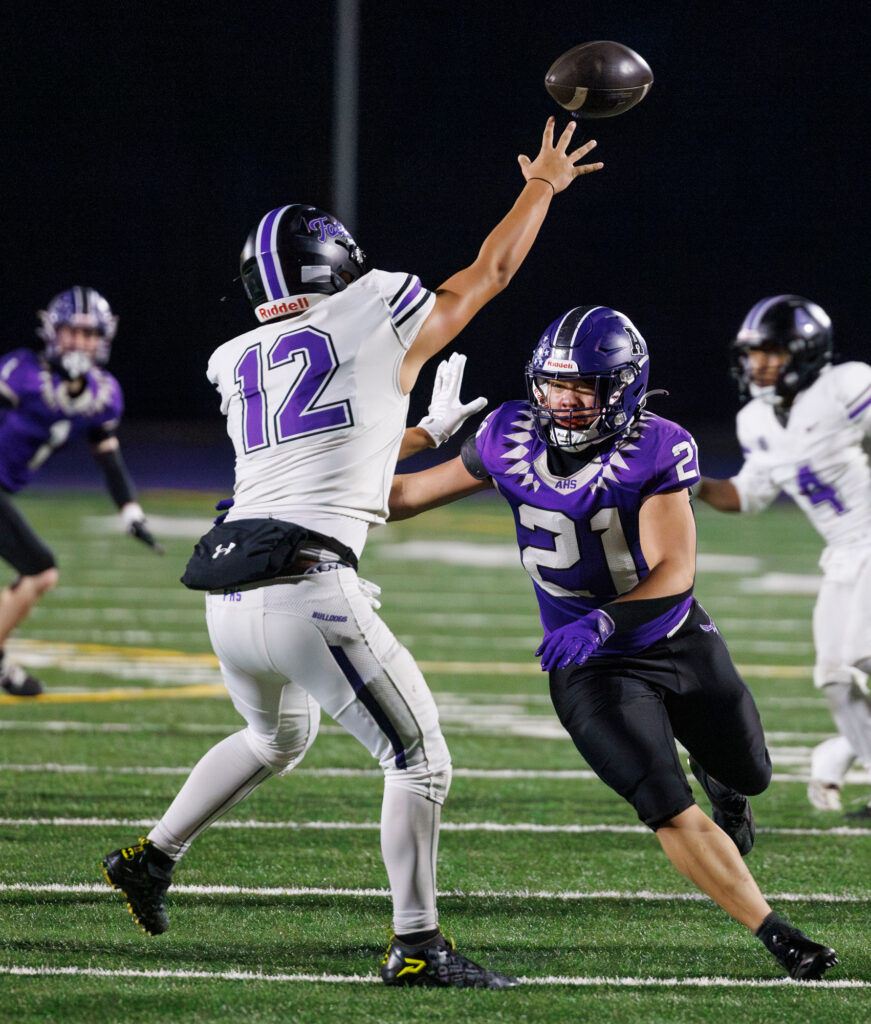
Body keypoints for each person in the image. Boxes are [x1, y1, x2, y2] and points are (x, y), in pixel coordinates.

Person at [101, 118, 603, 989]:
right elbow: (487, 275)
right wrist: (544, 185)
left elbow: (325, 451)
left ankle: (151, 854)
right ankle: (417, 946)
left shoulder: (236, 359)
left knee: (275, 735)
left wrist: (423, 434)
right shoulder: (371, 307)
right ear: (336, 267)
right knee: (420, 760)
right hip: (307, 587)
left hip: (230, 590)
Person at [387, 304, 839, 981]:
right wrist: (314, 491)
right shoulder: (504, 434)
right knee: (664, 804)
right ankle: (775, 934)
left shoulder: (655, 447)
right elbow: (398, 498)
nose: (564, 401)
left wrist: (604, 618)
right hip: (588, 668)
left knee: (751, 772)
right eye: (553, 384)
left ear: (623, 386)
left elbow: (674, 573)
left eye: (583, 387)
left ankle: (726, 784)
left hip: (671, 637)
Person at [693, 295, 871, 819]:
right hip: (843, 554)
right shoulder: (757, 420)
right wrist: (694, 484)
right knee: (835, 678)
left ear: (806, 351)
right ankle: (848, 751)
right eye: (753, 353)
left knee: (863, 654)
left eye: (771, 351)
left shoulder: (848, 386)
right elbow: (747, 496)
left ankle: (841, 752)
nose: (759, 364)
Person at [0, 287, 162, 697]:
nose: (80, 341)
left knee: (40, 572)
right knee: (41, 568)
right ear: (53, 331)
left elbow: (108, 456)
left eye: (90, 334)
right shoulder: (20, 372)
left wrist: (132, 514)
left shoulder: (102, 395)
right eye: (73, 331)